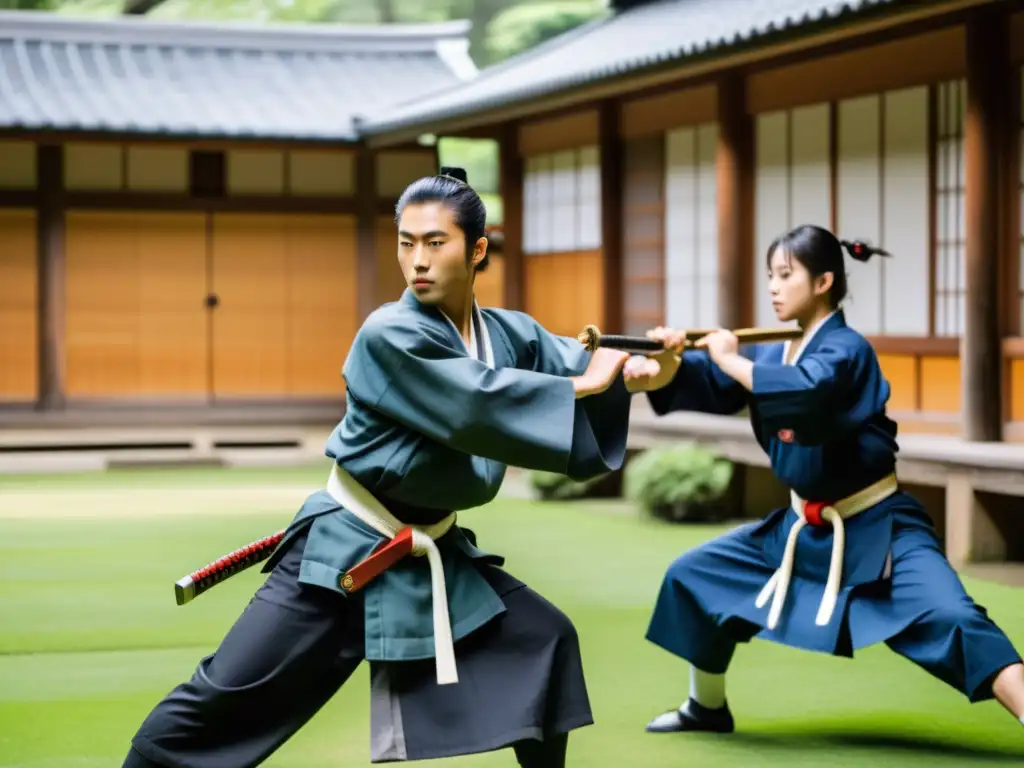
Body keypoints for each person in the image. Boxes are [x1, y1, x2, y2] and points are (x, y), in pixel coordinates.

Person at [122, 166, 638, 768]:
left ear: (476, 251)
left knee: (542, 639)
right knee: (222, 700)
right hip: (346, 553)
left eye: (434, 243)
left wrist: (647, 370)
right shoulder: (388, 333)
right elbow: (476, 400)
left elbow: (583, 360)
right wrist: (583, 384)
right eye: (406, 242)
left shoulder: (502, 333)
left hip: (431, 553)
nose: (417, 259)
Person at [622, 224, 1024, 735]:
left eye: (785, 275)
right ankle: (706, 707)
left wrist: (728, 357)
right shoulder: (771, 351)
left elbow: (807, 394)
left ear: (823, 282)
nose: (772, 286)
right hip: (800, 528)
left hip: (878, 528)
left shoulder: (847, 350)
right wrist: (666, 367)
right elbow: (709, 386)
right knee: (695, 576)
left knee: (953, 616)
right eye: (770, 275)